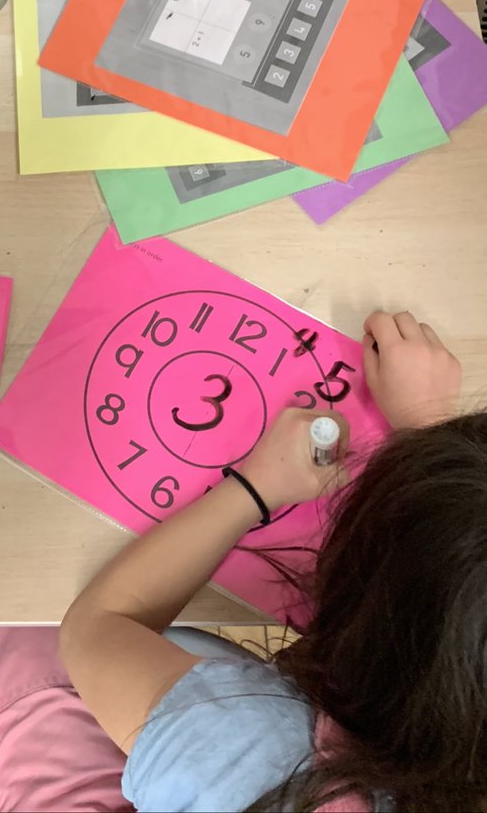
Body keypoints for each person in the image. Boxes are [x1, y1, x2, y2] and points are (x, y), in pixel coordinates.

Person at [59, 311, 473, 812]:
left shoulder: (258, 752)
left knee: (15, 633)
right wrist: (430, 450)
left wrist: (257, 488)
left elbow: (94, 628)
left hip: (201, 748)